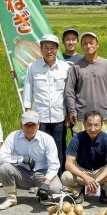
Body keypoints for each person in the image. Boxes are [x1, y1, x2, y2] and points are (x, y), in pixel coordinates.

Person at [22, 33, 71, 174]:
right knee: (38, 146)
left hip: (59, 115)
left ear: (57, 49)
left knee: (59, 146)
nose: (49, 51)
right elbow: (28, 88)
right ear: (41, 49)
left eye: (52, 48)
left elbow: (68, 93)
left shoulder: (65, 68)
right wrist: (27, 111)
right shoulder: (32, 67)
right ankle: (38, 175)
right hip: (39, 115)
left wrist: (68, 113)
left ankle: (60, 176)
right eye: (46, 48)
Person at [0, 110, 63, 210]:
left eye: (33, 125)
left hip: (42, 173)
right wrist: (21, 159)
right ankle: (11, 198)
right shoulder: (13, 136)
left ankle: (43, 195)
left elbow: (54, 164)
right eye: (27, 125)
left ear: (38, 125)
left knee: (56, 188)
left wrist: (46, 183)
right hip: (23, 172)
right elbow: (0, 157)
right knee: (4, 168)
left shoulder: (47, 139)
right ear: (21, 125)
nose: (30, 128)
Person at [61, 112, 107, 204]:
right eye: (89, 125)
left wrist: (97, 179)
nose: (93, 129)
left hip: (100, 171)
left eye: (96, 125)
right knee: (65, 176)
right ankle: (78, 193)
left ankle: (105, 193)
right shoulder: (77, 138)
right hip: (82, 170)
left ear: (101, 125)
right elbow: (68, 164)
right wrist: (85, 177)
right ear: (84, 125)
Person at [65, 32, 107, 135]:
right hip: (81, 117)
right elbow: (69, 90)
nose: (88, 46)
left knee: (101, 148)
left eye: (91, 43)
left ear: (97, 44)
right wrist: (72, 111)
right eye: (85, 43)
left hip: (103, 116)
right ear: (81, 46)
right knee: (81, 149)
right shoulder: (76, 67)